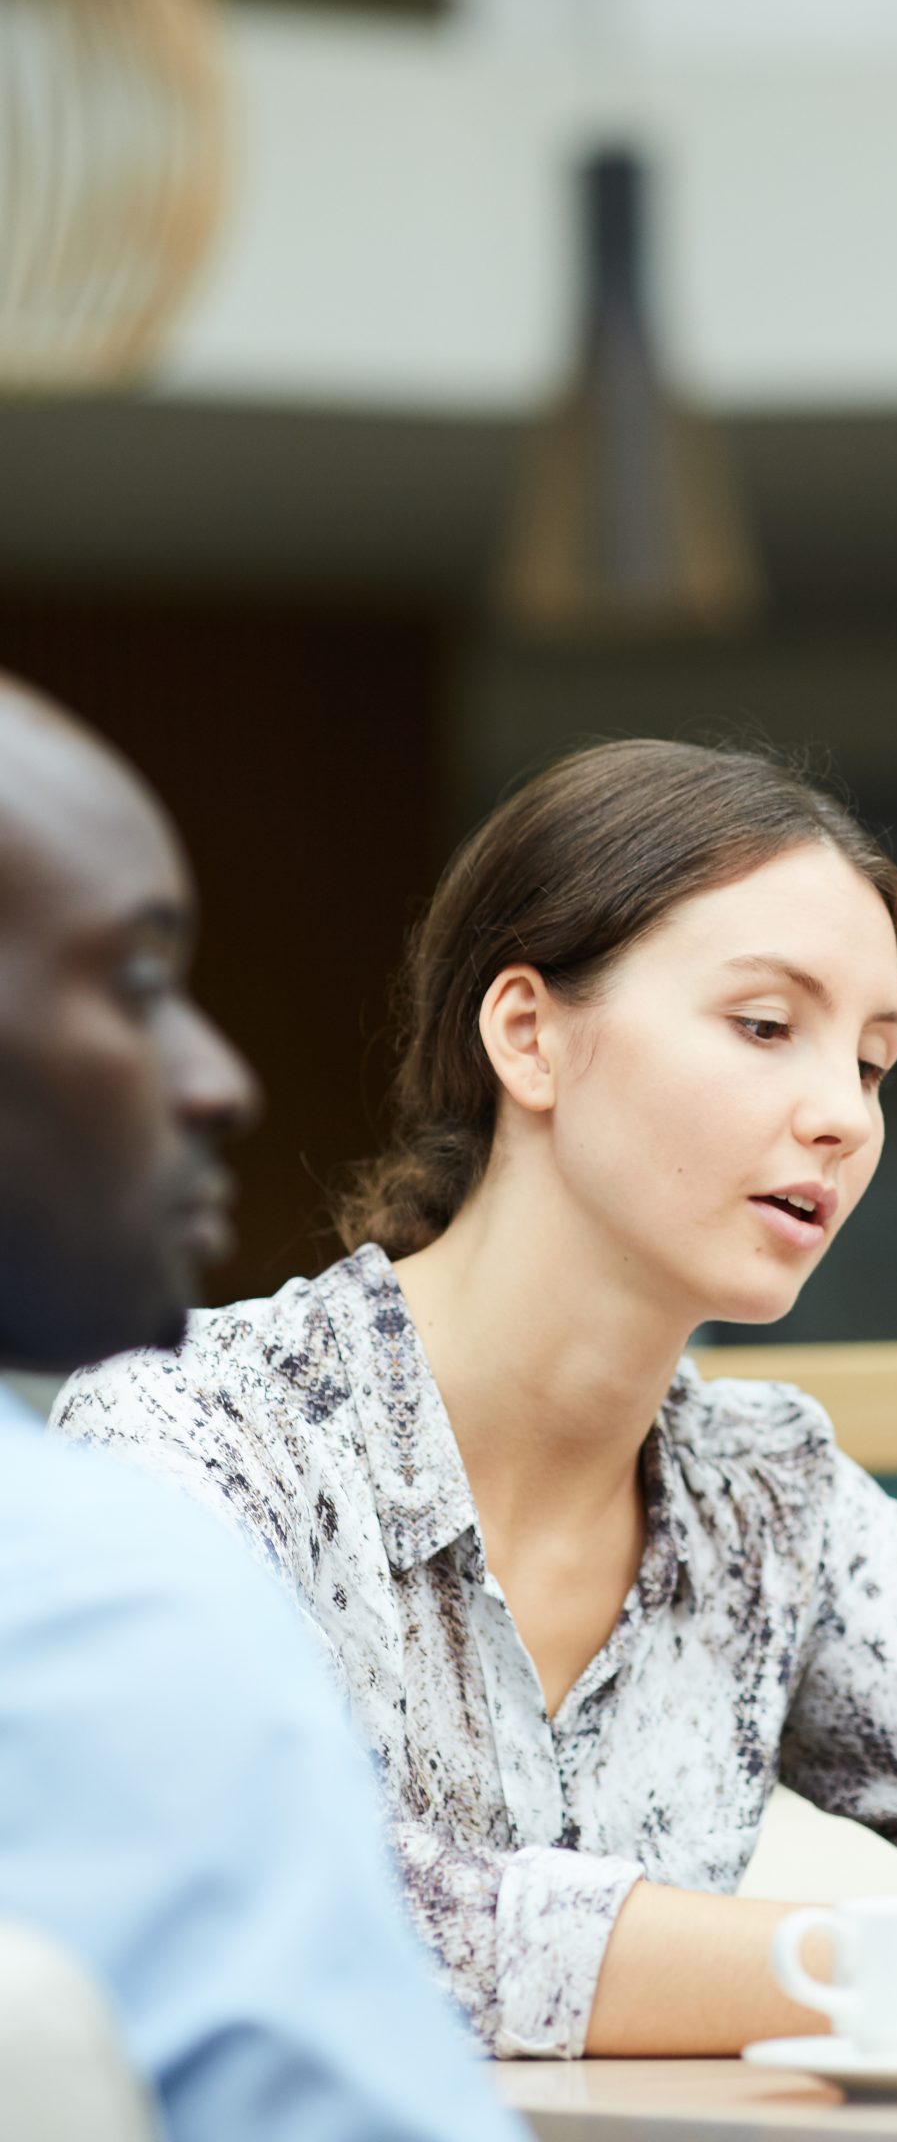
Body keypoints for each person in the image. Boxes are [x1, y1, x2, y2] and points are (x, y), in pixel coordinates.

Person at [57, 739, 897, 2065]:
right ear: (528, 1036)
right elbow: (328, 1910)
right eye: (766, 1026)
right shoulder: (191, 1435)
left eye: (873, 1062)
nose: (840, 1113)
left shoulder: (769, 1494)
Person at [0, 673, 525, 2142]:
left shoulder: (767, 1467)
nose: (220, 1080)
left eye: (875, 1060)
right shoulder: (96, 1581)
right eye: (138, 987)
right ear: (522, 1040)